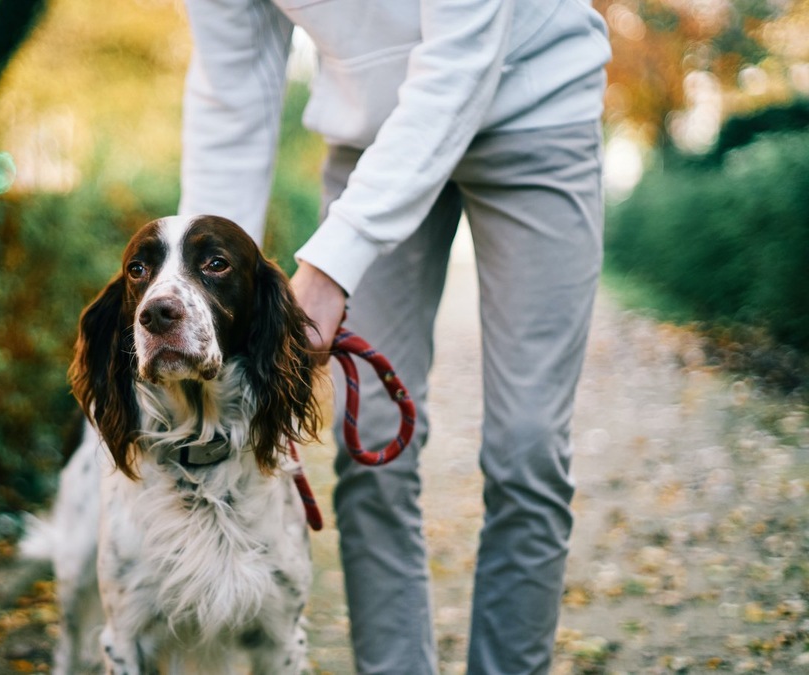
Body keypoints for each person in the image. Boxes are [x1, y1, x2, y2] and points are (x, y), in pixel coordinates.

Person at [175, 0, 611, 673]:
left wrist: (330, 267)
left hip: (534, 106)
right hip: (369, 138)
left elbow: (463, 60)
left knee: (528, 451)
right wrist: (203, 293)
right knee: (368, 444)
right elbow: (233, 94)